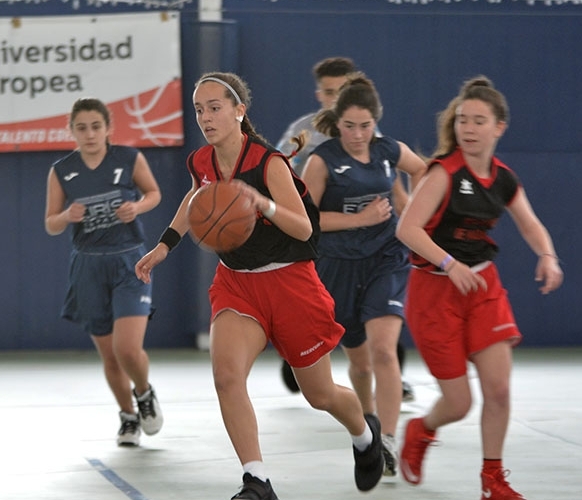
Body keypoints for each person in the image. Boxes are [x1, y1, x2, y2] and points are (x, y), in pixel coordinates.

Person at [135, 72, 383, 499]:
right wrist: (164, 246)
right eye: (199, 109)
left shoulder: (269, 163)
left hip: (291, 283)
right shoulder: (201, 161)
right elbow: (197, 197)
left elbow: (305, 229)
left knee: (320, 394)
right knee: (227, 376)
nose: (206, 117)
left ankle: (364, 434)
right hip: (237, 284)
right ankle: (257, 481)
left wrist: (262, 204)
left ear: (239, 111)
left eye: (215, 107)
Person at [395, 76, 564, 500]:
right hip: (435, 289)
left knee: (500, 389)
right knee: (458, 403)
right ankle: (421, 429)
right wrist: (449, 263)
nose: (468, 128)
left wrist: (547, 255)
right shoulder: (443, 172)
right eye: (463, 120)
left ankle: (493, 480)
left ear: (499, 127)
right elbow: (408, 229)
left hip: (482, 285)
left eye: (479, 121)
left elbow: (528, 222)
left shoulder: (504, 179)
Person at [300, 72, 427, 479]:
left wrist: (411, 208)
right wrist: (361, 218)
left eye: (366, 125)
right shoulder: (321, 161)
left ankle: (388, 439)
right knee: (359, 361)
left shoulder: (389, 150)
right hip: (336, 266)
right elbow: (305, 219)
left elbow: (423, 170)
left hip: (387, 258)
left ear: (377, 121)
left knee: (385, 350)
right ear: (337, 122)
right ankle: (370, 425)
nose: (358, 134)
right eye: (350, 126)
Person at [276, 57, 416, 403]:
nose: (357, 133)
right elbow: (279, 178)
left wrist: (414, 221)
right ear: (320, 95)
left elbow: (395, 187)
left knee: (382, 331)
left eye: (340, 90)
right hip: (329, 246)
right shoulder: (306, 137)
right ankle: (305, 358)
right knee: (337, 329)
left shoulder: (373, 137)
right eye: (328, 91)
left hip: (380, 249)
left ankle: (390, 385)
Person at [45, 97, 164, 447]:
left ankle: (144, 393)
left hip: (129, 260)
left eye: (96, 126)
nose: (90, 134)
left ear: (108, 128)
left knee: (128, 349)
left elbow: (154, 193)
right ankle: (128, 417)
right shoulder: (62, 170)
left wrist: (137, 207)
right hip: (88, 264)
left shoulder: (128, 158)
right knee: (110, 354)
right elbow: (50, 223)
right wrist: (67, 216)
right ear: (71, 131)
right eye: (81, 127)